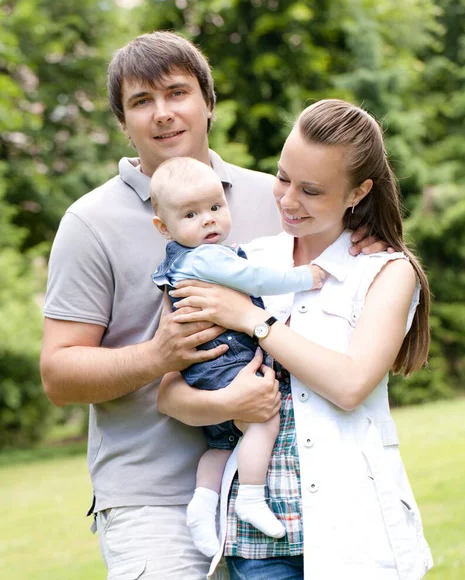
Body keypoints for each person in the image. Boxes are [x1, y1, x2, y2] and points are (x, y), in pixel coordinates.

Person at [39, 30, 387, 580]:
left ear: (208, 102)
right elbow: (59, 375)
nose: (162, 114)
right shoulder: (89, 223)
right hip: (151, 499)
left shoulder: (273, 198)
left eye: (176, 93)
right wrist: (159, 354)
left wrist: (363, 241)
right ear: (123, 122)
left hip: (272, 487)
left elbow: (338, 276)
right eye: (140, 101)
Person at [158, 99, 434, 580]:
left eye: (311, 190)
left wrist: (251, 319)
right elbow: (170, 395)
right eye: (283, 178)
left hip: (356, 533)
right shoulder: (247, 260)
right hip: (258, 542)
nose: (287, 200)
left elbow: (350, 385)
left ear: (358, 192)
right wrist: (229, 401)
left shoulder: (386, 271)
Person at [150, 156, 325, 556]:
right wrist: (307, 276)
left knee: (223, 443)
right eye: (191, 214)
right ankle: (250, 498)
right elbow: (257, 279)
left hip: (202, 367)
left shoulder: (177, 261)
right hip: (228, 360)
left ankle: (202, 504)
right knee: (264, 418)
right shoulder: (211, 258)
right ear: (163, 227)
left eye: (215, 207)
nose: (209, 220)